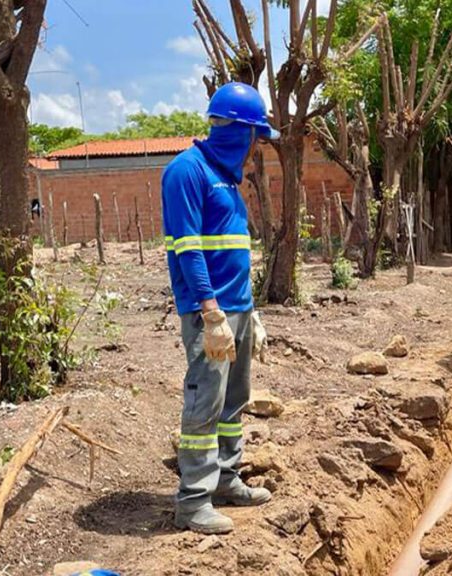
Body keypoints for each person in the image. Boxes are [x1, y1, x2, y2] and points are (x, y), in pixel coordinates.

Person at [161, 82, 279, 535]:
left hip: (238, 309)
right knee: (205, 405)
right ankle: (193, 502)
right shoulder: (186, 172)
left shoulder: (228, 181)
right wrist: (211, 314)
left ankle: (227, 480)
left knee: (234, 402)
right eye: (255, 137)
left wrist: (251, 312)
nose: (255, 149)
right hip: (209, 312)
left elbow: (230, 251)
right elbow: (188, 251)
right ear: (239, 131)